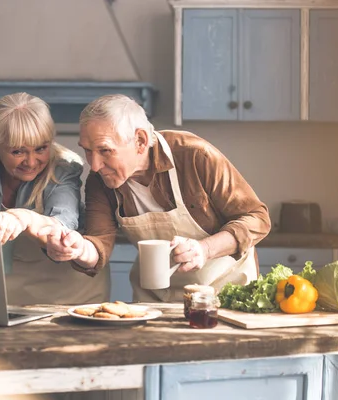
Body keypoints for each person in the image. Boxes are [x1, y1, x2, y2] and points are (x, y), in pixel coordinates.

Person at [41, 94, 271, 302]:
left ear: (140, 141)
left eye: (105, 151)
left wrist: (205, 249)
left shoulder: (194, 155)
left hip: (223, 294)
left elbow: (257, 218)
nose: (95, 164)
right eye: (87, 151)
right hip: (157, 300)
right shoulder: (100, 181)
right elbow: (100, 241)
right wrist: (78, 249)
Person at [0, 92, 109, 305]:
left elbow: (63, 223)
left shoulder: (63, 169)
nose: (31, 161)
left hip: (70, 296)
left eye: (41, 149)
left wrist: (23, 218)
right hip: (6, 296)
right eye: (18, 151)